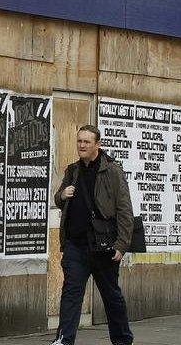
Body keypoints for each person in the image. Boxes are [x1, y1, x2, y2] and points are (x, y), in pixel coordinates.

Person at [52, 125, 134, 345]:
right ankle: (64, 339)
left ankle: (123, 340)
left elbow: (125, 209)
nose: (82, 145)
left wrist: (122, 244)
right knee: (70, 295)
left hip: (103, 246)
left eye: (87, 142)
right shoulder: (73, 170)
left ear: (98, 144)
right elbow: (58, 199)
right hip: (75, 245)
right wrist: (62, 195)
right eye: (79, 141)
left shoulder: (112, 171)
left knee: (111, 296)